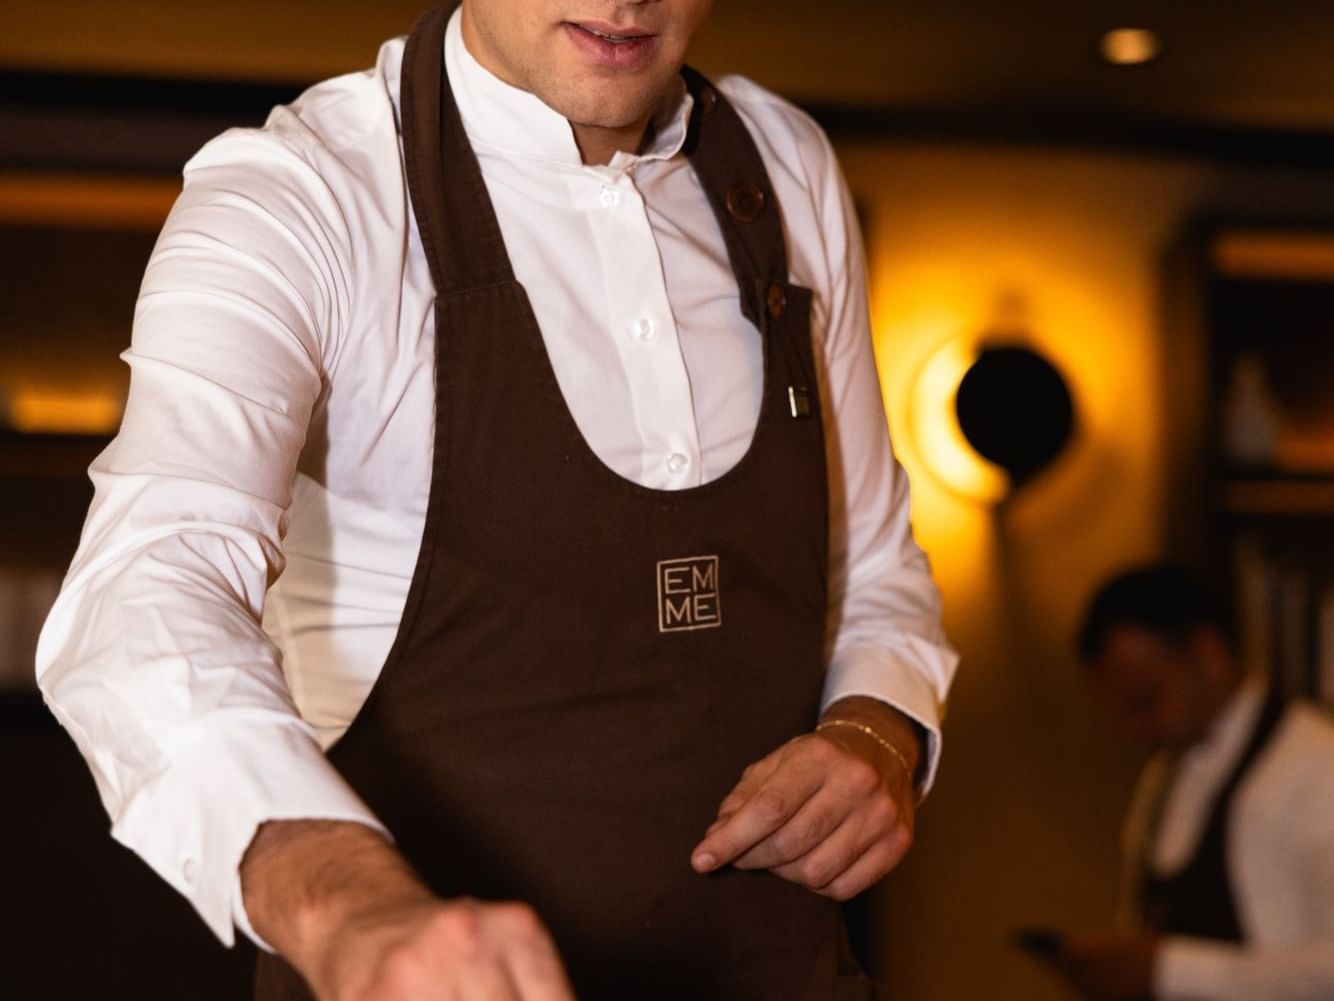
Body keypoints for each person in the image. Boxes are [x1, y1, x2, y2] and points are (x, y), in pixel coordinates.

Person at [35, 2, 958, 999]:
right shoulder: (300, 194)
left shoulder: (787, 165)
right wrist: (349, 907)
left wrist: (878, 726)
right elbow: (142, 592)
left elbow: (872, 561)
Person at [1055, 564, 1334, 1001]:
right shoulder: (1162, 778)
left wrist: (1169, 969)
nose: (1135, 732)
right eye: (1122, 713)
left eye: (1147, 702)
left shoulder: (1320, 767)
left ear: (1207, 655)